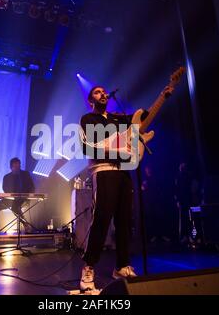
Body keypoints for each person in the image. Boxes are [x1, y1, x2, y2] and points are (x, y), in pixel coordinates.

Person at [78, 86, 142, 291]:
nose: (102, 94)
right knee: (102, 218)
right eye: (97, 92)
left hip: (123, 171)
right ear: (91, 101)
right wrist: (113, 146)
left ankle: (122, 266)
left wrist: (164, 94)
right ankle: (88, 267)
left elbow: (141, 119)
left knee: (125, 220)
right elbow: (87, 147)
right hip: (103, 169)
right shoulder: (87, 119)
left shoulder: (117, 119)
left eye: (104, 91)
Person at [0, 157, 35, 234]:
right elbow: (5, 189)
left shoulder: (25, 174)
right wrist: (12, 195)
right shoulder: (7, 177)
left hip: (22, 199)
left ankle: (26, 225)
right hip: (10, 199)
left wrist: (28, 196)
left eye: (18, 166)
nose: (17, 168)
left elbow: (31, 186)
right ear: (11, 167)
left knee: (15, 207)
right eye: (15, 167)